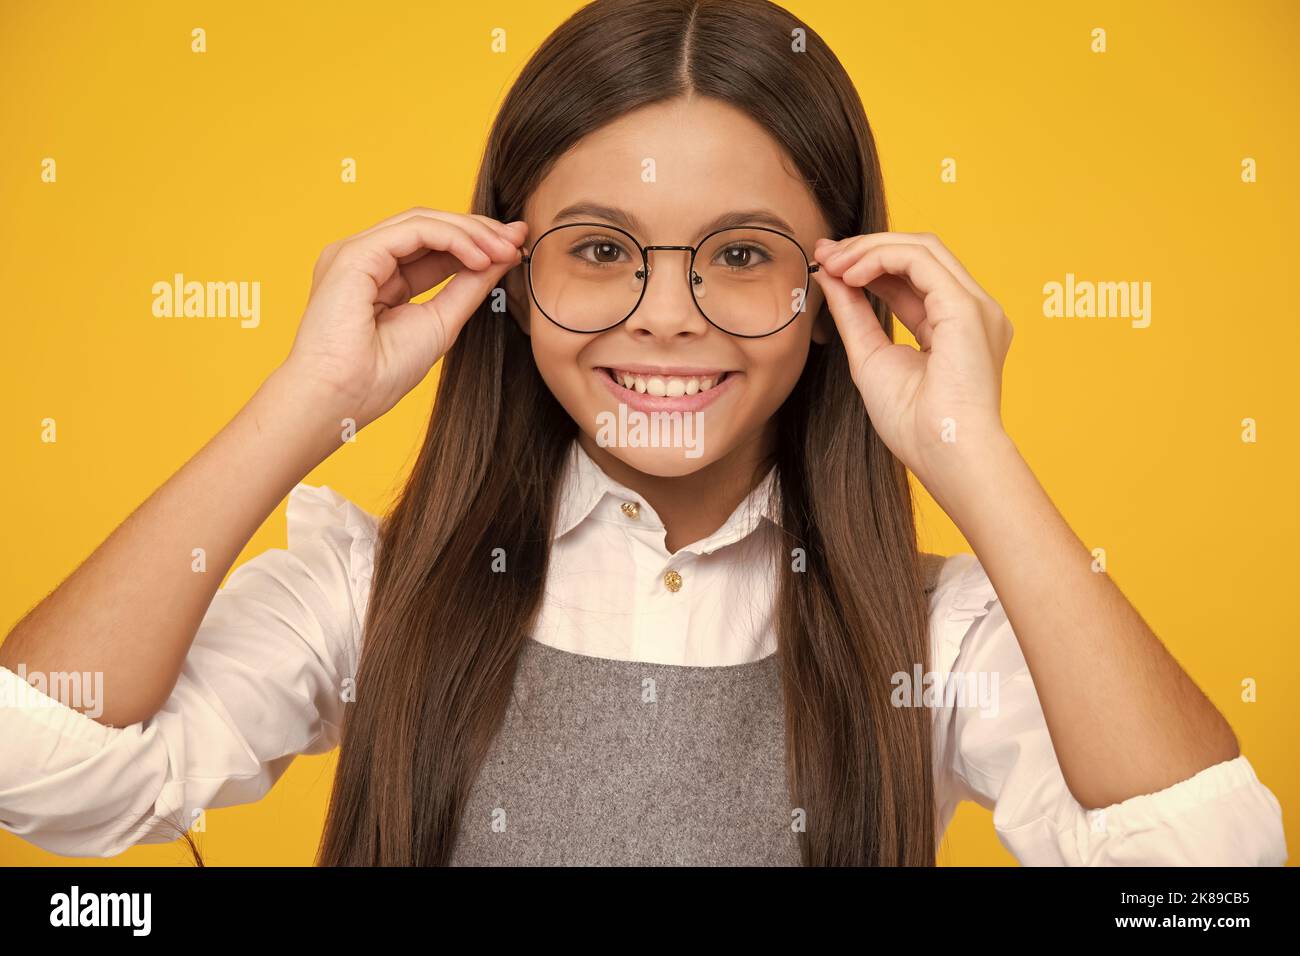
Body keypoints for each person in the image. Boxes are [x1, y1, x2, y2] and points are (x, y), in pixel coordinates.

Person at [0, 0, 1286, 866]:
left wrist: (974, 457)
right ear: (504, 268)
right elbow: (38, 769)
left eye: (738, 254)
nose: (664, 316)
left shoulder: (932, 636)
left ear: (839, 283)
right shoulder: (366, 596)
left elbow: (1207, 874)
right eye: (601, 249)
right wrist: (306, 399)